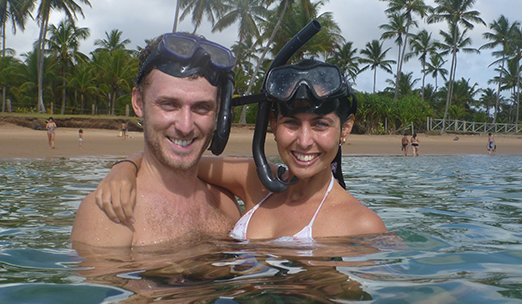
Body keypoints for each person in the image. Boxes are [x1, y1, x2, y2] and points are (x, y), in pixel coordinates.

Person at [98, 59, 386, 241]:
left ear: (345, 129)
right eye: (291, 123)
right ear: (272, 124)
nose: (304, 140)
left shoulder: (362, 224)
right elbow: (177, 160)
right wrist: (125, 168)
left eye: (321, 125)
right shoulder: (254, 180)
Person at [71, 33, 241, 247]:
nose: (185, 126)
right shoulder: (111, 213)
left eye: (201, 107)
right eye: (169, 104)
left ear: (218, 112)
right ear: (138, 102)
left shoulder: (227, 205)